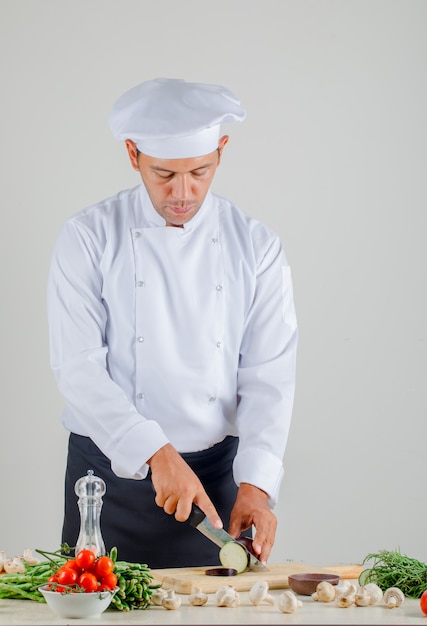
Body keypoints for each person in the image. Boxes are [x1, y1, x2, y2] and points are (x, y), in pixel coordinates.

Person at [47, 78, 298, 569]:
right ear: (133, 154)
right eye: (164, 173)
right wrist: (156, 454)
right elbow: (78, 369)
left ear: (221, 152)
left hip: (213, 487)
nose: (183, 192)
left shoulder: (257, 247)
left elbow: (269, 376)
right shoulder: (87, 238)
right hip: (106, 480)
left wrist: (257, 486)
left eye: (200, 172)